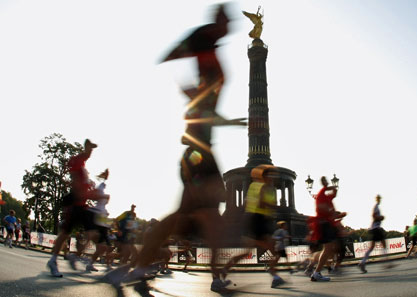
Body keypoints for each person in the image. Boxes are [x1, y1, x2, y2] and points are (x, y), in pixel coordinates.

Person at [104, 5, 246, 295]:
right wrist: (185, 86)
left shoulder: (210, 51)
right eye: (225, 17)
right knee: (205, 212)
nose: (230, 22)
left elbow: (203, 106)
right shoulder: (204, 43)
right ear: (216, 20)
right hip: (198, 150)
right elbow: (175, 61)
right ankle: (212, 276)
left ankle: (140, 267)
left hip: (199, 147)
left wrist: (228, 120)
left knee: (183, 217)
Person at [220, 165, 286, 288]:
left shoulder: (253, 186)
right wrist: (274, 206)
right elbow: (261, 203)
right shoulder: (264, 187)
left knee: (247, 252)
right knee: (275, 251)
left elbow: (246, 203)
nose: (273, 177)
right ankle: (275, 276)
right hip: (259, 220)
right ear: (265, 176)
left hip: (251, 219)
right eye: (271, 175)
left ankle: (225, 270)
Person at [46, 139, 101, 277]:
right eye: (89, 149)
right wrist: (90, 194)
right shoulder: (76, 161)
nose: (91, 153)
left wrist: (92, 194)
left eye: (92, 150)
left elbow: (84, 184)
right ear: (84, 148)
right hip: (75, 203)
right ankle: (53, 261)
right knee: (65, 233)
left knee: (93, 233)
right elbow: (76, 185)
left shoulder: (83, 165)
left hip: (83, 204)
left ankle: (75, 255)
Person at [358, 195, 386, 273]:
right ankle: (385, 261)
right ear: (377, 199)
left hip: (375, 228)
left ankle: (362, 262)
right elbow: (374, 216)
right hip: (376, 228)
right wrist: (381, 217)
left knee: (372, 247)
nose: (380, 200)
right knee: (383, 244)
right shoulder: (376, 206)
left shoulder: (377, 207)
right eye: (379, 199)